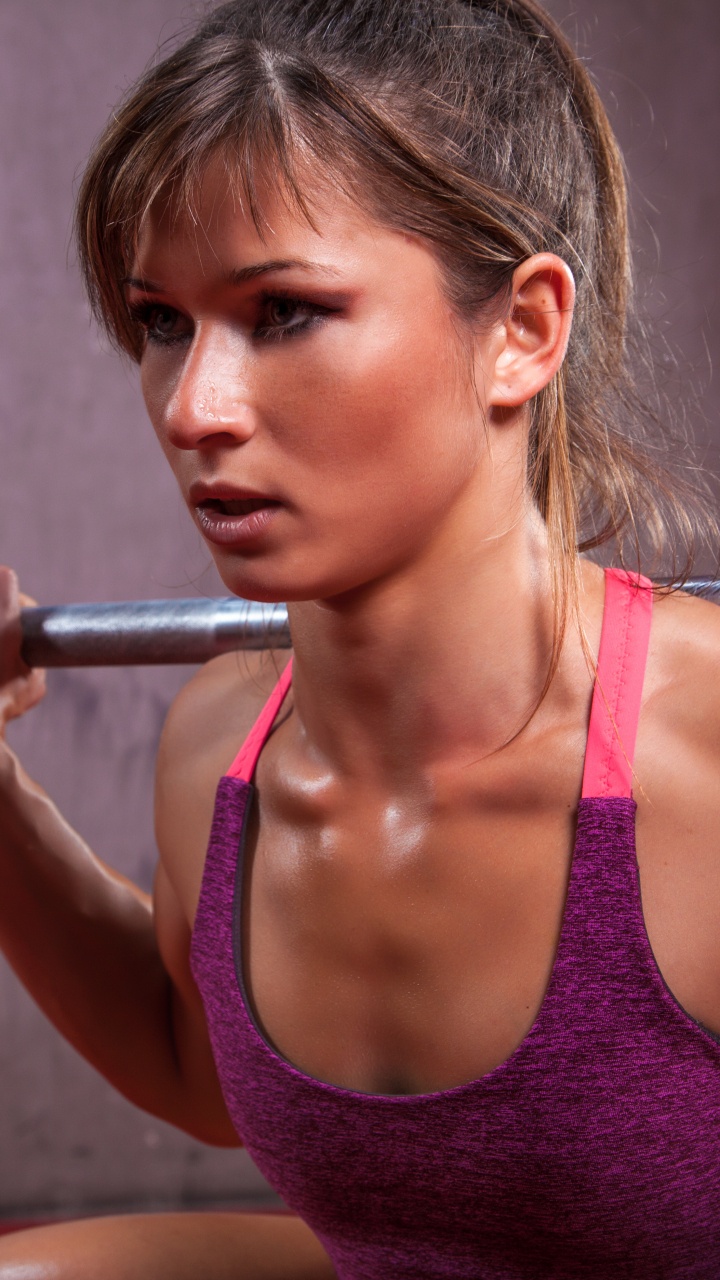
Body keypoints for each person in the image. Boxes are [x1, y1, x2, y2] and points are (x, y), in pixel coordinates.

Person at [1, 0, 719, 1275]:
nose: (194, 407)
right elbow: (201, 1060)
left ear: (522, 330)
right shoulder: (222, 742)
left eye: (282, 312)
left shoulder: (702, 762)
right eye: (163, 320)